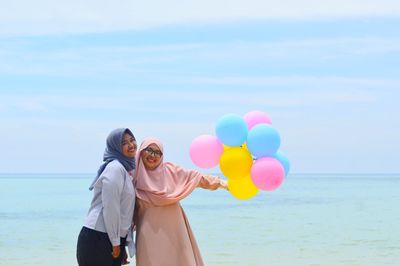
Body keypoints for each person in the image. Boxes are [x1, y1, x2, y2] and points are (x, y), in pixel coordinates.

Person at [133, 138, 228, 266]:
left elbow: (196, 177)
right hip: (148, 237)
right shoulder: (133, 176)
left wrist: (222, 183)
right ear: (140, 152)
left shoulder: (170, 171)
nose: (152, 155)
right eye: (149, 150)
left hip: (176, 232)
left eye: (158, 152)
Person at [77, 128, 137, 266]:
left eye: (132, 140)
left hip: (107, 238)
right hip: (98, 238)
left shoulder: (124, 170)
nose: (131, 145)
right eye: (124, 142)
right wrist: (116, 243)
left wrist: (122, 244)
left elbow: (123, 212)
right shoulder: (115, 168)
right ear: (115, 146)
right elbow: (111, 208)